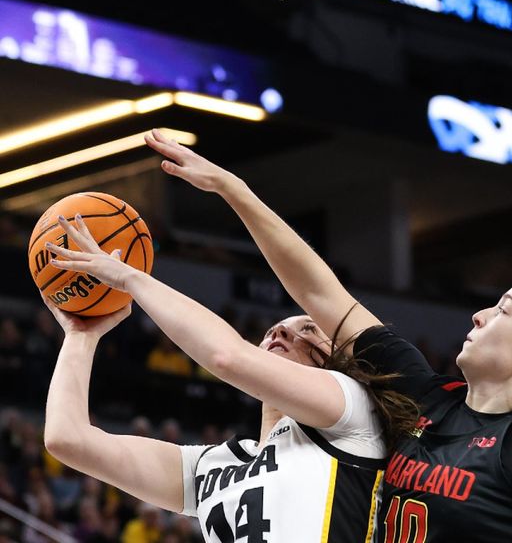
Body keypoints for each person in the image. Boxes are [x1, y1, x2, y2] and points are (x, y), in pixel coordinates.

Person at [138, 128, 512, 542]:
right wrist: (234, 190)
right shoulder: (423, 395)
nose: (479, 317)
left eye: (503, 310)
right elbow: (322, 294)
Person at [42, 216, 419, 542]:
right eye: (273, 330)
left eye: (308, 329)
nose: (281, 334)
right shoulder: (211, 466)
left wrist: (128, 278)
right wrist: (80, 337)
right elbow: (67, 439)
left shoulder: (352, 410)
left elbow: (227, 356)